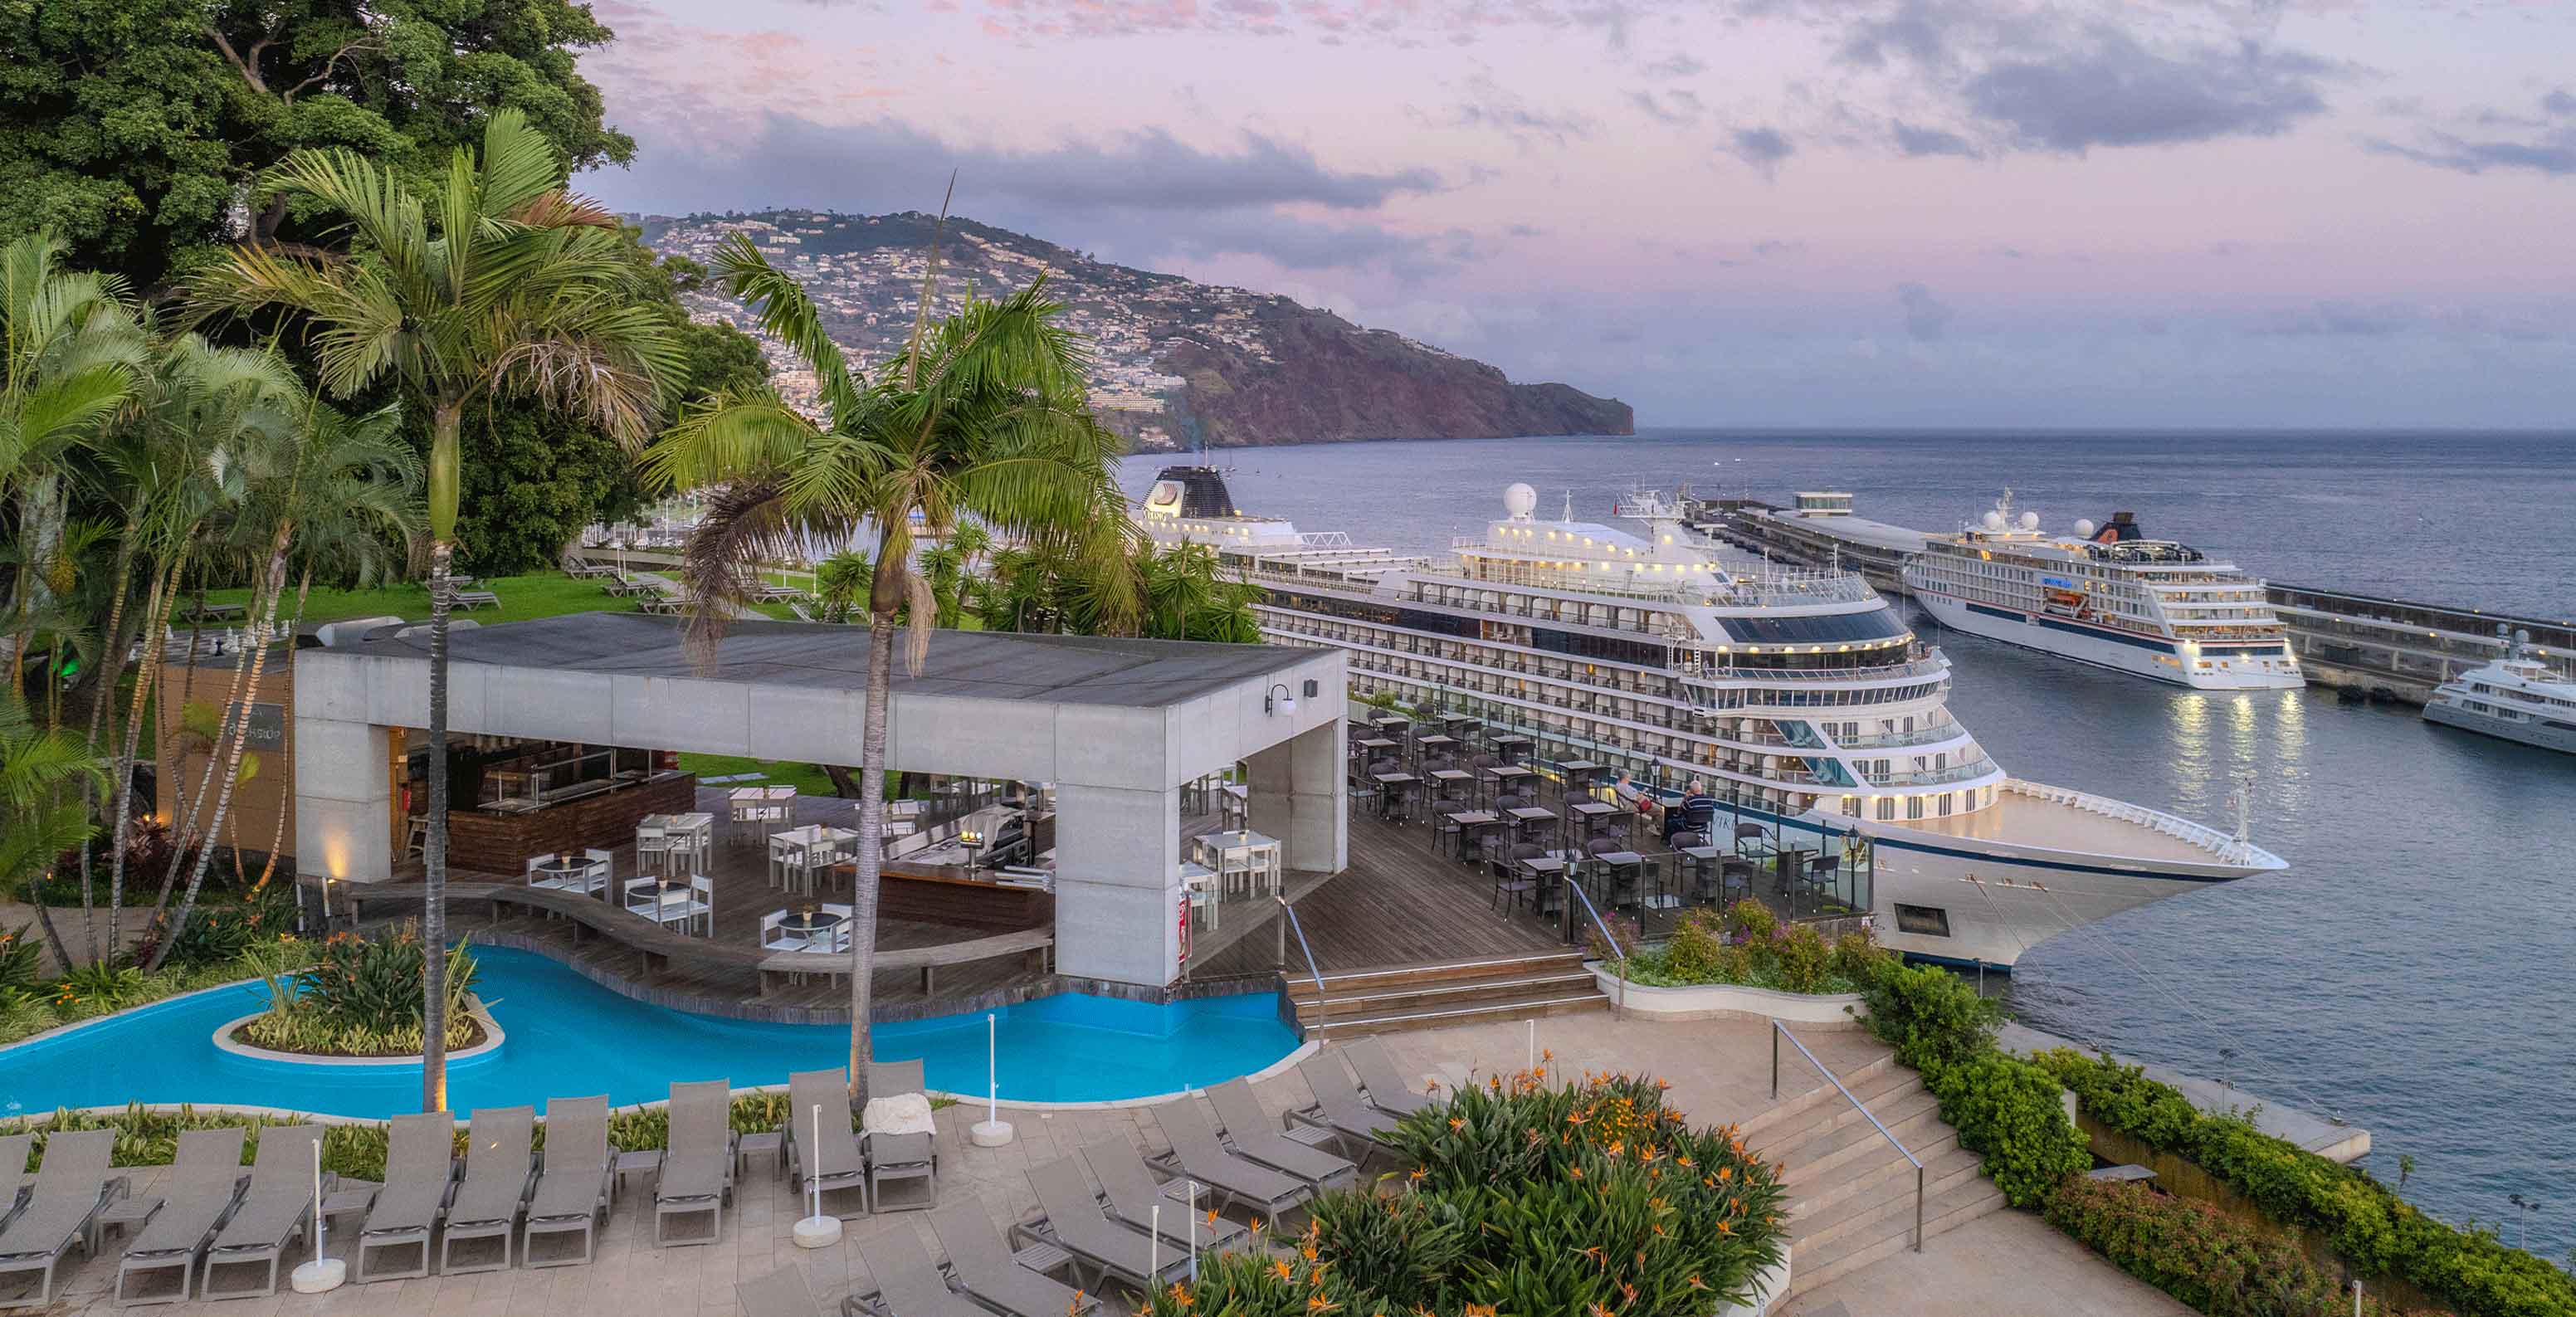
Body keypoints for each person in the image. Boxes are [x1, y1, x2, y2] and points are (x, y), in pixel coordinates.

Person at [1666, 778, 1718, 845]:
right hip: (1703, 827)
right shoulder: (1709, 800)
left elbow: (1679, 812)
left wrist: (1685, 798)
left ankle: (1672, 843)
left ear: (1691, 790)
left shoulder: (1689, 800)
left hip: (1689, 827)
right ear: (1700, 789)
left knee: (1671, 822)